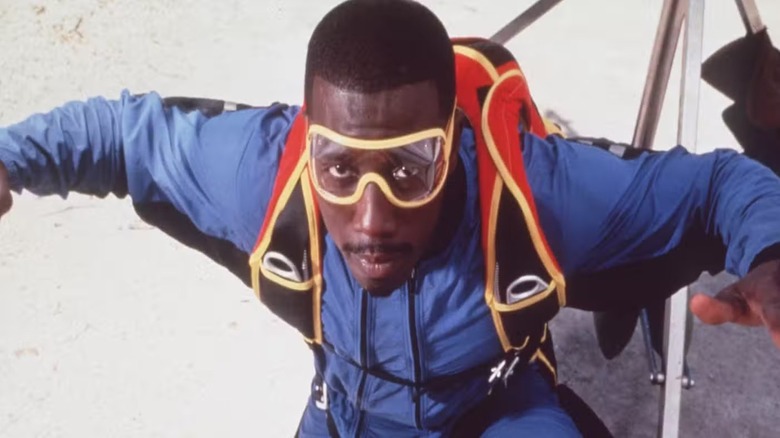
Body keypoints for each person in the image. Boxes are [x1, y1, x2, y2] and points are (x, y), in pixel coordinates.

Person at [1, 0, 779, 436]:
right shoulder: (259, 171)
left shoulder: (536, 188)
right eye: (340, 167)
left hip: (498, 406)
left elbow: (718, 186)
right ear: (309, 144)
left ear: (455, 140)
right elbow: (116, 134)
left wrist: (771, 252)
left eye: (412, 167)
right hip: (348, 414)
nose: (372, 218)